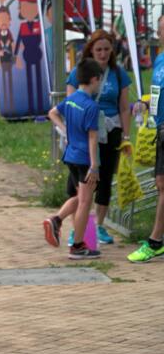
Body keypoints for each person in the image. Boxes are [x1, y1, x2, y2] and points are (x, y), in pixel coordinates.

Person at [62, 30, 131, 246]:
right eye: (98, 49)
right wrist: (69, 132)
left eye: (106, 50)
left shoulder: (118, 74)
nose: (102, 53)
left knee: (104, 180)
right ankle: (79, 231)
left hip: (110, 130)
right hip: (84, 133)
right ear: (91, 49)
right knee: (80, 183)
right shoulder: (79, 72)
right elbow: (70, 103)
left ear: (112, 51)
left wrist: (126, 135)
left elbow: (123, 106)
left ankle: (97, 226)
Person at [43, 57, 103, 259]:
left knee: (79, 199)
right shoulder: (91, 106)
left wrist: (65, 130)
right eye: (99, 81)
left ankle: (57, 220)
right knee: (86, 202)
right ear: (94, 79)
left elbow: (52, 113)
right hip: (86, 159)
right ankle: (77, 246)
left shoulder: (71, 99)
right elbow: (93, 137)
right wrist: (94, 166)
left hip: (71, 157)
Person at [130, 14, 164, 263]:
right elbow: (156, 94)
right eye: (162, 30)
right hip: (159, 129)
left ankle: (154, 241)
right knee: (161, 184)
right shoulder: (159, 60)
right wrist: (144, 105)